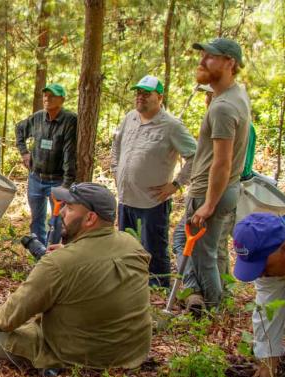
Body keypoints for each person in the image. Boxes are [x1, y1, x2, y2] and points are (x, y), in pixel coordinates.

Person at [0, 183, 152, 369]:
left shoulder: (58, 263)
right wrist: (70, 251)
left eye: (69, 208)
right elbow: (96, 259)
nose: (61, 212)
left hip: (81, 354)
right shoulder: (132, 244)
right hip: (134, 350)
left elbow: (16, 310)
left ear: (90, 218)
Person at [173, 37, 252, 313]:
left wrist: (207, 204)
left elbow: (222, 162)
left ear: (230, 63)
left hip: (211, 190)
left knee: (202, 254)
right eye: (203, 55)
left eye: (210, 56)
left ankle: (215, 311)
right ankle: (205, 299)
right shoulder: (234, 94)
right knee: (200, 248)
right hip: (224, 189)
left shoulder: (223, 107)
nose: (202, 60)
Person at [111, 75, 196, 288]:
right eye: (138, 93)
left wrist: (176, 184)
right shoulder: (130, 117)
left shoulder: (172, 126)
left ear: (159, 97)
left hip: (152, 202)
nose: (140, 97)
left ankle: (159, 291)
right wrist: (115, 169)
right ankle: (130, 287)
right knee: (125, 248)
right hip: (126, 198)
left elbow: (196, 156)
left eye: (146, 94)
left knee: (155, 250)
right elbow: (117, 145)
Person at [199, 82, 259, 287]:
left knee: (217, 244)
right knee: (218, 243)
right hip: (227, 188)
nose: (208, 100)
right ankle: (224, 285)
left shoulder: (235, 122)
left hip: (228, 189)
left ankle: (223, 291)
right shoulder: (227, 121)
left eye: (211, 95)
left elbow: (233, 164)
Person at [231, 213, 285, 377]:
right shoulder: (271, 253)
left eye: (263, 268)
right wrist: (268, 361)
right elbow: (267, 309)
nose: (259, 275)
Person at [15, 84, 78, 245]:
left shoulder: (70, 120)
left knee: (57, 220)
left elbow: (69, 154)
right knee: (37, 219)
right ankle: (38, 253)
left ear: (62, 99)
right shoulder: (37, 118)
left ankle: (53, 253)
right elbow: (19, 129)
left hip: (57, 179)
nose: (47, 99)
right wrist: (24, 152)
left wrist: (66, 184)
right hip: (36, 177)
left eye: (52, 96)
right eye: (45, 95)